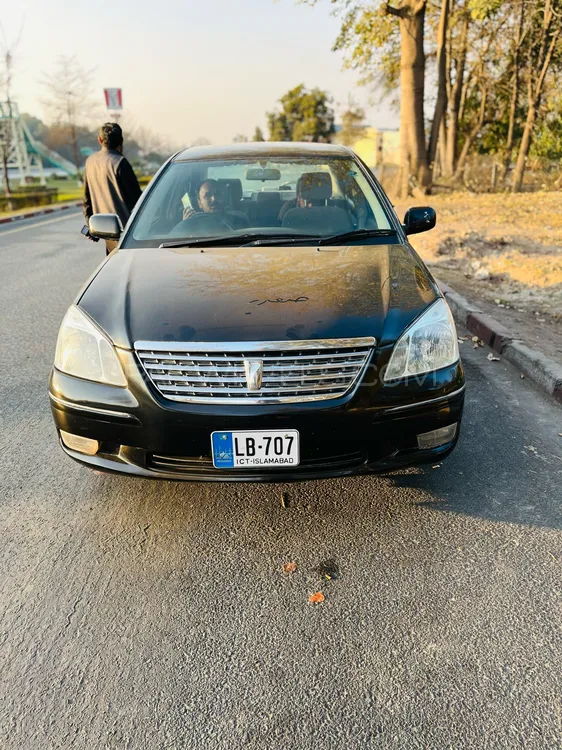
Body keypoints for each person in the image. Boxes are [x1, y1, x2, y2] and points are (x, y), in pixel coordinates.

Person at [83, 122, 142, 254]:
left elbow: (86, 201)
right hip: (128, 236)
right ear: (121, 141)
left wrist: (91, 226)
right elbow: (138, 201)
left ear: (99, 140)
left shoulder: (90, 162)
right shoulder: (120, 163)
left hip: (106, 233)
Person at [182, 179, 249, 230]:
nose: (214, 199)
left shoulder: (240, 220)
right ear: (199, 203)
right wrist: (184, 225)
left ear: (224, 198)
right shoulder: (192, 225)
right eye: (207, 196)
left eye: (218, 194)